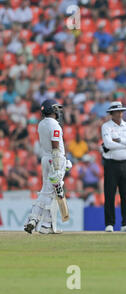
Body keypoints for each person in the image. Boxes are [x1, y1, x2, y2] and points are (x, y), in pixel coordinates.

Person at [24, 99, 72, 234]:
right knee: (52, 194)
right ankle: (44, 225)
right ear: (52, 110)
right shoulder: (55, 125)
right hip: (54, 159)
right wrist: (58, 167)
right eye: (56, 109)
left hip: (45, 159)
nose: (58, 112)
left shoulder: (41, 124)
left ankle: (34, 219)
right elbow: (55, 147)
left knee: (46, 191)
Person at [101, 101, 126, 233]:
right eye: (117, 112)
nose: (120, 114)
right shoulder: (106, 126)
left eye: (121, 111)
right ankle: (109, 223)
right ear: (112, 113)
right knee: (109, 194)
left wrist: (120, 140)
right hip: (111, 163)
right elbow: (108, 144)